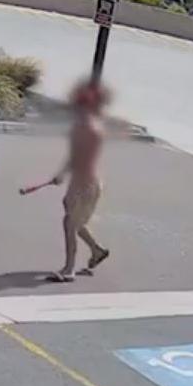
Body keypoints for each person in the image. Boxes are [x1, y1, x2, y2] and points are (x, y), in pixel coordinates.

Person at [51, 80, 110, 281]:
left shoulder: (86, 129)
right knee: (73, 221)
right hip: (87, 183)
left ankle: (69, 269)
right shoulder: (90, 127)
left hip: (85, 184)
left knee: (69, 223)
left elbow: (80, 159)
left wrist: (69, 183)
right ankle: (97, 250)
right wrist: (63, 175)